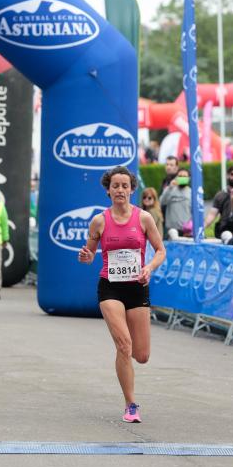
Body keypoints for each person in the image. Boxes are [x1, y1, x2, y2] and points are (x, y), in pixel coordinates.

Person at [77, 166, 166, 424]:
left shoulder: (144, 219)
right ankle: (131, 405)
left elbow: (161, 250)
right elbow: (90, 253)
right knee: (124, 345)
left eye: (124, 186)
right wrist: (85, 257)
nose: (120, 190)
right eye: (115, 185)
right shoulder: (100, 221)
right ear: (108, 190)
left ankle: (128, 370)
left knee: (142, 355)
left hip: (137, 286)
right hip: (111, 287)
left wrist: (149, 267)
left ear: (131, 189)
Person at [204, 165, 233, 241]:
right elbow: (212, 214)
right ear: (227, 175)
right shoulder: (220, 195)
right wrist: (202, 228)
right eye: (232, 174)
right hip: (225, 229)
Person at [159, 168, 192, 237]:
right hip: (171, 230)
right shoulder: (170, 190)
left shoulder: (191, 193)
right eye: (180, 176)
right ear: (176, 177)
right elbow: (161, 202)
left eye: (184, 176)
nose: (182, 178)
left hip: (186, 230)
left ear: (189, 178)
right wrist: (169, 188)